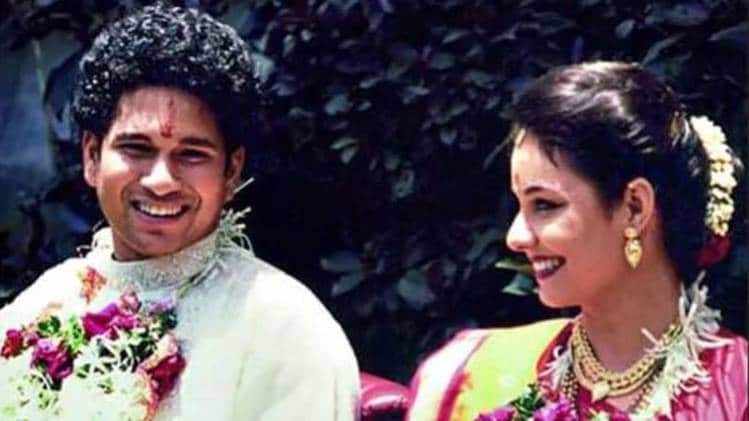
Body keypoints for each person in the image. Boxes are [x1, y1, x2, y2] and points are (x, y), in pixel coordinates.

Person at [0, 4, 359, 420]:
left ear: (231, 172)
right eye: (137, 148)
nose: (161, 181)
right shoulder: (47, 303)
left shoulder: (285, 332)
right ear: (92, 156)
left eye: (192, 155)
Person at [406, 61, 746, 420]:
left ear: (635, 208)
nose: (516, 238)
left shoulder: (736, 393)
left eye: (545, 205)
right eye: (521, 204)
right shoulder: (473, 377)